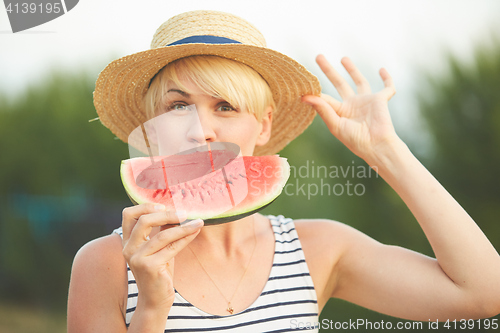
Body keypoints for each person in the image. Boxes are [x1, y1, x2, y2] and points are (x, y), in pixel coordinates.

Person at [67, 10, 500, 332]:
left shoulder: (318, 250)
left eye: (225, 106)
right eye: (178, 106)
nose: (201, 130)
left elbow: (483, 293)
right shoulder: (106, 265)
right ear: (154, 129)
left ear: (265, 124)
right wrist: (151, 310)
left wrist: (387, 152)